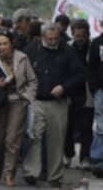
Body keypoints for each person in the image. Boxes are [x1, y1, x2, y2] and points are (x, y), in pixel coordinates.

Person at [22, 21, 87, 187]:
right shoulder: (32, 50)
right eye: (49, 39)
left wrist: (64, 87)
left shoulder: (68, 51)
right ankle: (32, 172)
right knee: (34, 136)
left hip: (58, 102)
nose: (53, 42)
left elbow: (80, 75)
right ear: (43, 37)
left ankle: (54, 176)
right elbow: (21, 70)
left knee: (56, 139)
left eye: (56, 38)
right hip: (36, 100)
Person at [0, 28, 37, 187]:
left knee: (13, 140)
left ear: (12, 44)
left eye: (5, 44)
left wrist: (28, 97)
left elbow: (32, 81)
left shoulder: (22, 58)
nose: (2, 47)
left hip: (18, 102)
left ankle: (9, 173)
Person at [65, 19, 93, 169]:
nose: (80, 39)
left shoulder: (93, 47)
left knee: (86, 128)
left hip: (87, 93)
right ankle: (68, 154)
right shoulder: (67, 48)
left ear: (87, 34)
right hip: (70, 93)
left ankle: (85, 157)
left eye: (82, 36)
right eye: (77, 36)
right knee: (68, 127)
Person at [88, 25, 103, 177]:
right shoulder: (97, 43)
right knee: (101, 126)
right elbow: (91, 67)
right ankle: (97, 158)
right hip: (101, 90)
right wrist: (95, 88)